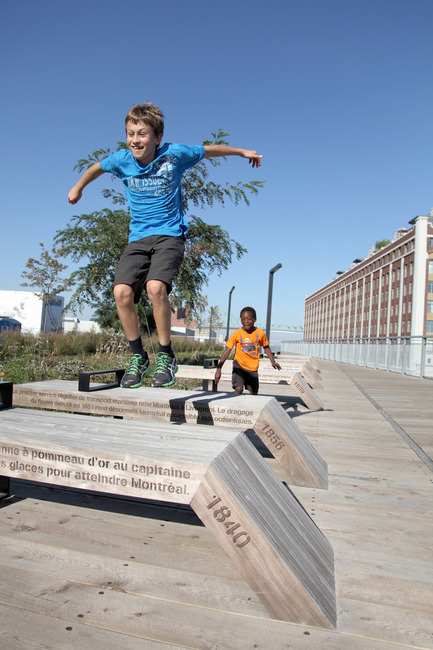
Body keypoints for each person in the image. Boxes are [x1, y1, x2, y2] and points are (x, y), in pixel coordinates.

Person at [68, 102, 262, 389]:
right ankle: (138, 356)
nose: (136, 140)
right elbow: (96, 168)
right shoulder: (121, 160)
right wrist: (78, 187)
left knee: (155, 287)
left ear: (157, 137)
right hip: (138, 238)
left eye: (143, 134)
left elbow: (210, 150)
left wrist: (242, 151)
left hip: (170, 236)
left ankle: (166, 355)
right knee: (121, 292)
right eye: (131, 133)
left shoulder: (175, 154)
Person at [214, 307, 281, 395]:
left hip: (252, 367)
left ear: (255, 320)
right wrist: (219, 369)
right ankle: (234, 406)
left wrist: (273, 362)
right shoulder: (236, 334)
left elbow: (266, 347)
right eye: (243, 319)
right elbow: (227, 351)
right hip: (239, 365)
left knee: (253, 393)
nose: (246, 321)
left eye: (249, 319)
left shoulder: (260, 333)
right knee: (239, 388)